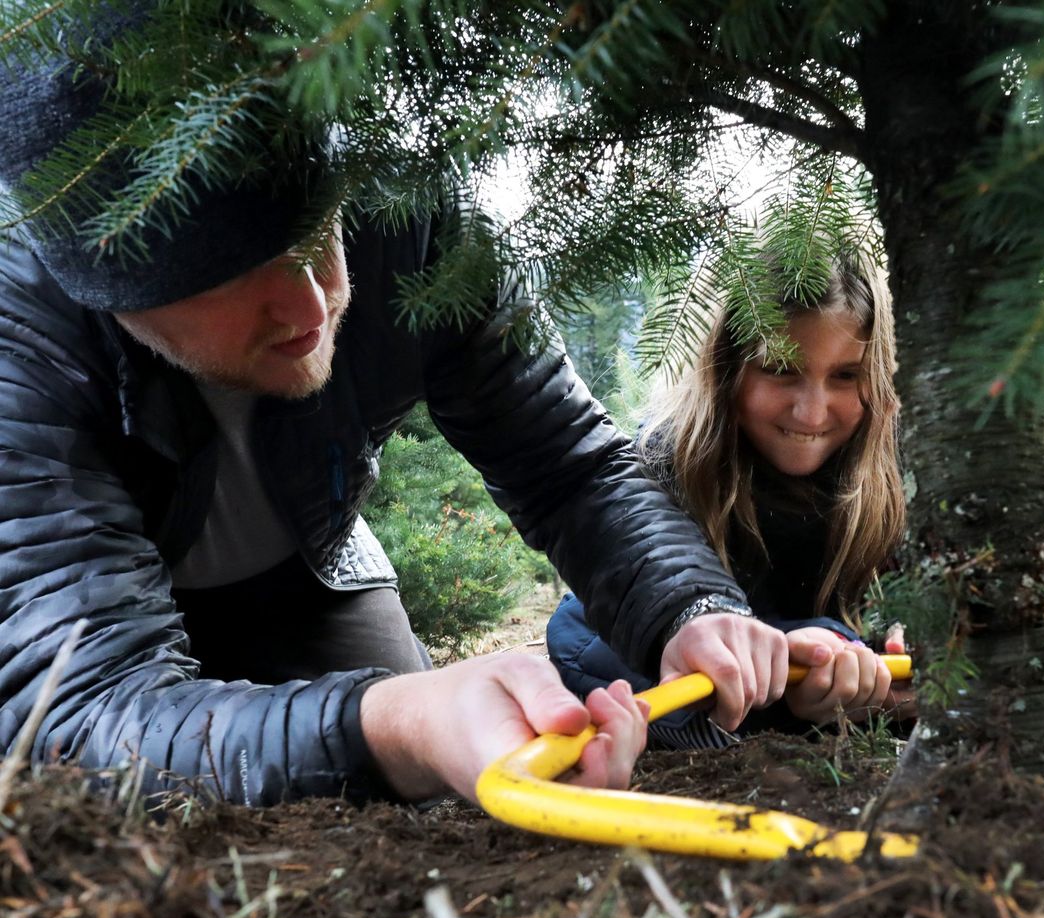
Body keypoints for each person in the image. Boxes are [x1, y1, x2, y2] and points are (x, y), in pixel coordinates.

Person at [0, 26, 793, 808]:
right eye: (230, 275)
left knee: (430, 792)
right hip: (81, 622)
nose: (311, 305)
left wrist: (689, 606)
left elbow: (567, 466)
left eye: (315, 229)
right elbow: (83, 709)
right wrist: (402, 724)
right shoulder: (21, 337)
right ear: (103, 286)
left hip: (309, 566)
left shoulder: (407, 216)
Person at [548, 244, 913, 747]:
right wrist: (790, 667)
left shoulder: (898, 474)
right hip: (712, 680)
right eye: (781, 369)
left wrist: (878, 662)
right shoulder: (666, 463)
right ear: (725, 367)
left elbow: (915, 617)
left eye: (846, 376)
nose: (811, 413)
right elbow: (586, 632)